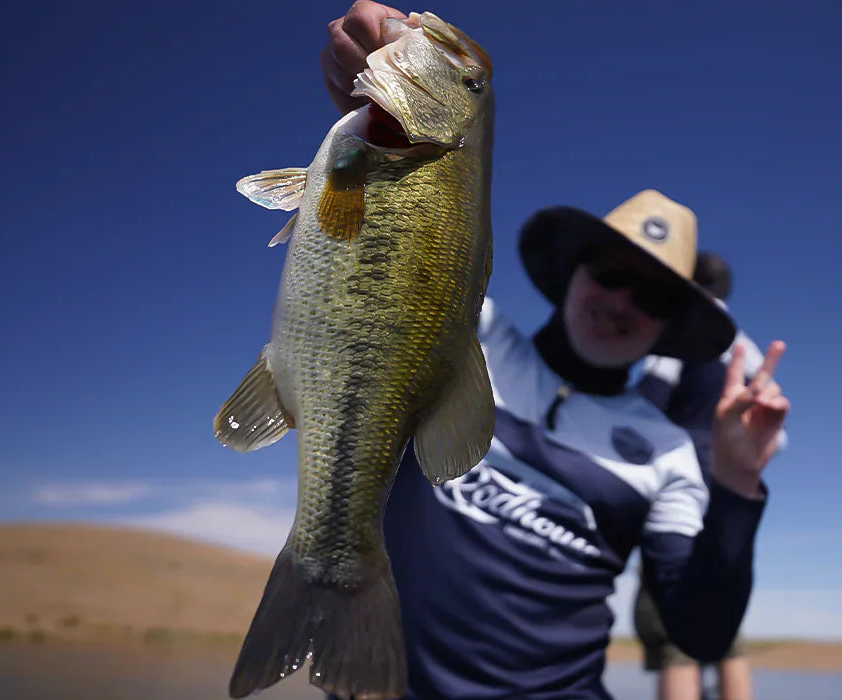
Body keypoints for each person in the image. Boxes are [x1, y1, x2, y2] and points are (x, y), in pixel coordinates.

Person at [316, 4, 792, 698]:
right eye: (611, 274)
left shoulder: (667, 453)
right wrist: (384, 122)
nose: (623, 304)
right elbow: (383, 227)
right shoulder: (461, 326)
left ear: (671, 327)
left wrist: (737, 484)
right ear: (572, 273)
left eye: (654, 297)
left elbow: (698, 632)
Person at [631, 252, 773, 700]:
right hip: (730, 486)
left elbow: (650, 399)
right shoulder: (747, 349)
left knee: (673, 624)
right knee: (723, 618)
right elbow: (774, 433)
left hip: (678, 485)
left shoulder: (680, 329)